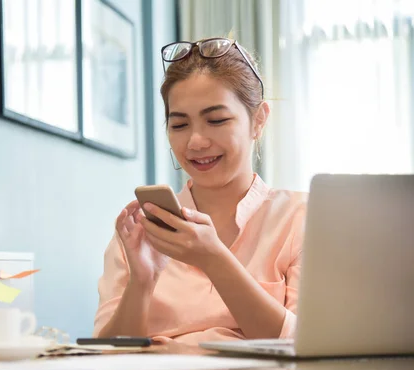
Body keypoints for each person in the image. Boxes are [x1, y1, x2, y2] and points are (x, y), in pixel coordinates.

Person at [93, 37, 307, 345]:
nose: (195, 142)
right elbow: (108, 357)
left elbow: (306, 347)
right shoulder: (141, 232)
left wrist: (215, 260)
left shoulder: (298, 219)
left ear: (258, 120)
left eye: (216, 120)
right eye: (179, 125)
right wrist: (142, 281)